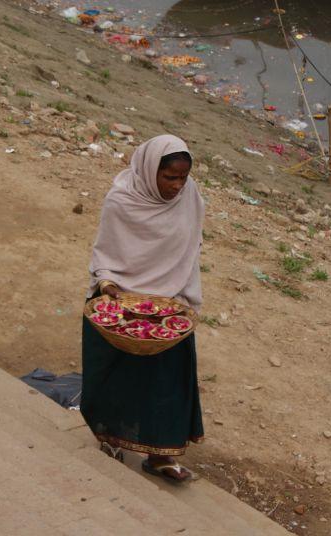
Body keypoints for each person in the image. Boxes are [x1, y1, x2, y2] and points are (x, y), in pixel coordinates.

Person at [81, 134, 205, 484]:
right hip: (121, 299)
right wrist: (108, 286)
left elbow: (190, 248)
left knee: (167, 383)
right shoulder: (122, 199)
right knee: (116, 379)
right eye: (170, 177)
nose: (178, 185)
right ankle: (109, 437)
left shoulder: (189, 196)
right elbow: (105, 252)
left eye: (183, 177)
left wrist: (179, 297)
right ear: (151, 171)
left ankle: (160, 456)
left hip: (168, 302)